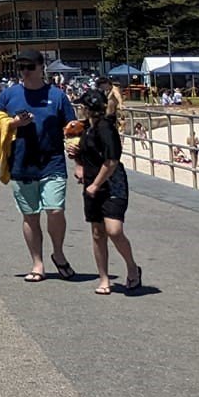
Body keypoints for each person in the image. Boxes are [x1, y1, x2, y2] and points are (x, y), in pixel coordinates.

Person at [0, 51, 78, 283]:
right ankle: (37, 263)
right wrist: (14, 123)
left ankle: (58, 252)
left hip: (52, 162)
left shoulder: (57, 96)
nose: (25, 71)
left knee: (55, 210)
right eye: (21, 67)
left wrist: (78, 160)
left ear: (42, 67)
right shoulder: (9, 95)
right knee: (30, 216)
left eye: (30, 66)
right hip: (21, 162)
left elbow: (71, 128)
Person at [73, 90, 142, 295]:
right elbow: (84, 154)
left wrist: (95, 184)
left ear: (88, 108)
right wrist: (76, 159)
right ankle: (104, 278)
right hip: (91, 183)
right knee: (97, 232)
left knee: (114, 230)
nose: (79, 110)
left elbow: (111, 161)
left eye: (81, 107)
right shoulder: (86, 129)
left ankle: (132, 267)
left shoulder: (106, 129)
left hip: (112, 184)